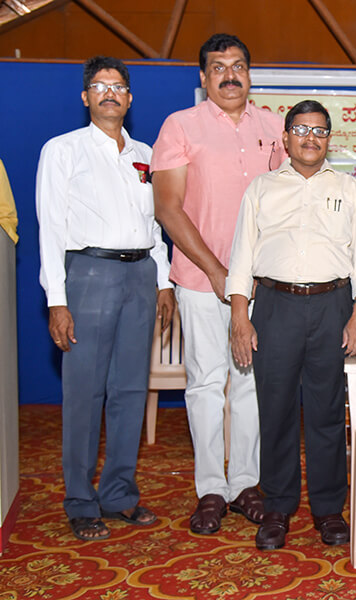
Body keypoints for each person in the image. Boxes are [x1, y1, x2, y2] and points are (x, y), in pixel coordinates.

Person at [151, 33, 286, 535]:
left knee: (250, 385)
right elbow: (167, 207)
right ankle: (211, 487)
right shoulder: (180, 126)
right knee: (206, 384)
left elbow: (284, 204)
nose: (230, 75)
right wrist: (214, 270)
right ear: (203, 77)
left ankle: (247, 483)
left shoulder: (275, 128)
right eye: (218, 67)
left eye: (238, 66)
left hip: (261, 286)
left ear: (250, 74)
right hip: (199, 277)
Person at [227, 100, 356, 550]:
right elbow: (241, 256)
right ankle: (277, 507)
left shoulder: (349, 188)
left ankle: (329, 510)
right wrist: (239, 315)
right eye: (301, 129)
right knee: (275, 410)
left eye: (319, 131)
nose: (310, 138)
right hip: (274, 305)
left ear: (329, 139)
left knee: (329, 413)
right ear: (286, 138)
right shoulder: (261, 189)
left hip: (332, 305)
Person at [36, 56, 174, 541]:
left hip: (141, 274)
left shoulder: (146, 153)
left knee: (130, 390)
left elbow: (156, 224)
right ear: (85, 97)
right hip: (88, 274)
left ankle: (119, 493)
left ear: (130, 98)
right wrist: (57, 298)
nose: (109, 93)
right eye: (99, 86)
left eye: (118, 86)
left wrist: (165, 282)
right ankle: (79, 499)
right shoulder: (63, 150)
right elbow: (50, 228)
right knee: (84, 393)